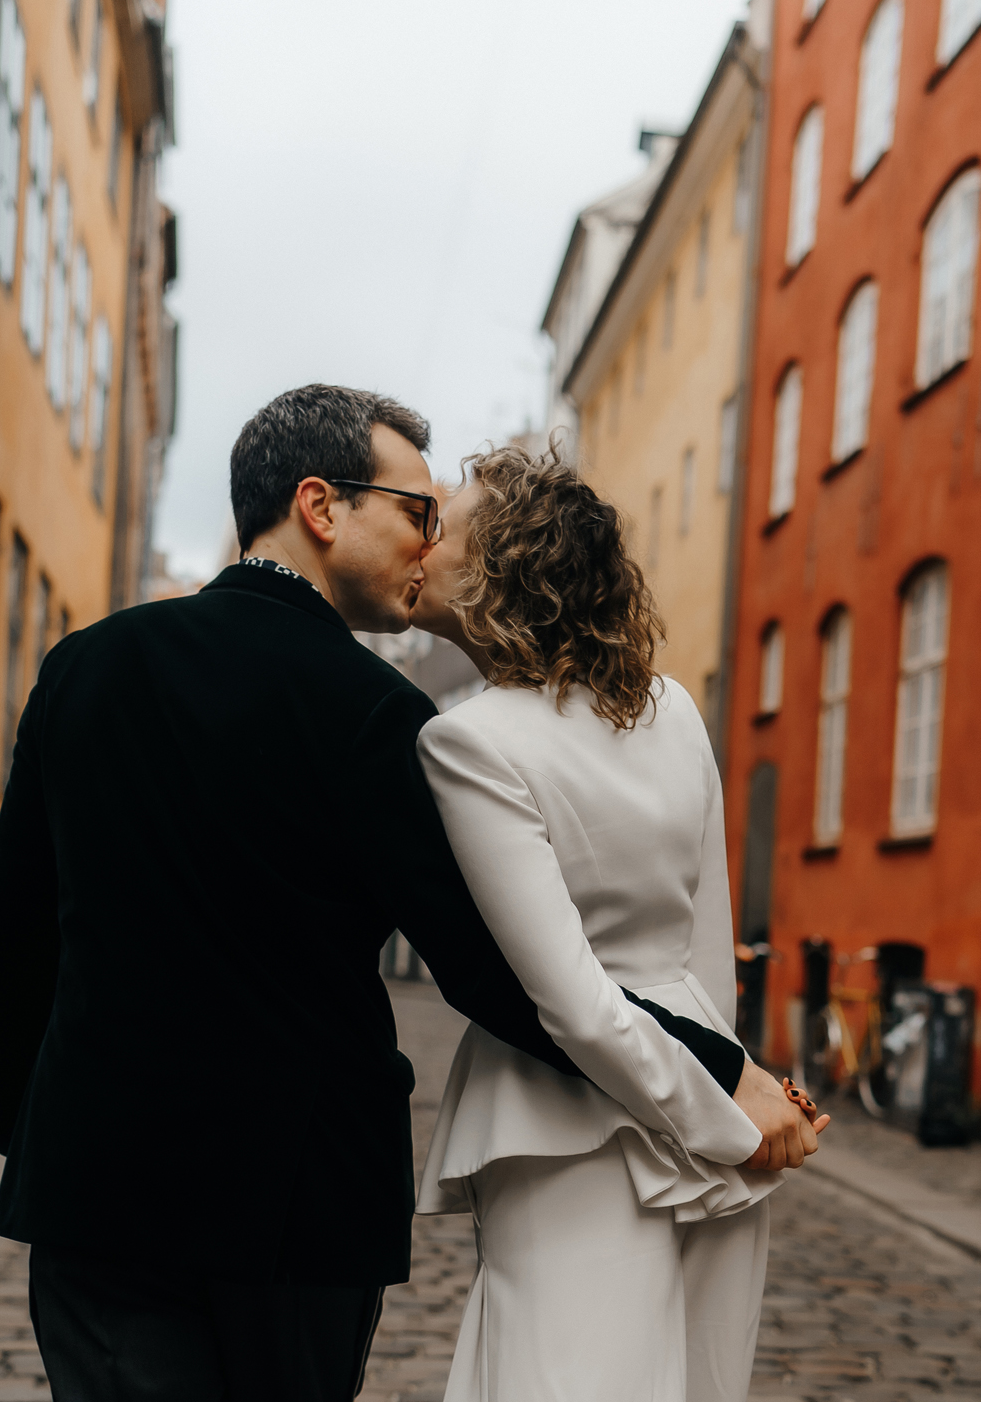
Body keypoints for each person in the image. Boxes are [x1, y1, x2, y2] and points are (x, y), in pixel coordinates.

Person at [0, 386, 811, 1402]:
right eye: (416, 512)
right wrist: (721, 1070)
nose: (428, 542)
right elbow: (491, 968)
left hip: (96, 1186)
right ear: (323, 508)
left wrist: (32, 1127)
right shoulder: (377, 711)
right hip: (298, 1200)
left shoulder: (83, 667)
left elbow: (13, 929)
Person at [410, 445, 829, 1402]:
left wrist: (726, 1122)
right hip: (710, 1101)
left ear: (495, 572)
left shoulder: (467, 739)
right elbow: (704, 947)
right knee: (696, 1378)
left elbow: (576, 1004)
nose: (419, 545)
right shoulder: (673, 708)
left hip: (571, 1122)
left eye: (444, 526)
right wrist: (737, 1098)